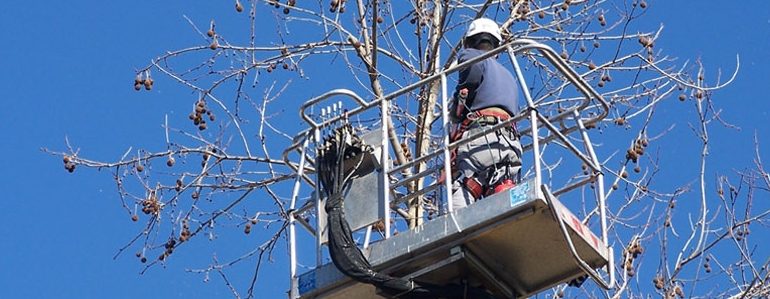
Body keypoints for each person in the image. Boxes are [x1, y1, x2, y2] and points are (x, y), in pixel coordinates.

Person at [449, 17, 522, 211]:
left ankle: (457, 236)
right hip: (510, 144)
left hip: (481, 138)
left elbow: (468, 83)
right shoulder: (509, 76)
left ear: (469, 41)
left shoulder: (470, 55)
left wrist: (456, 108)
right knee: (502, 189)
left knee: (465, 187)